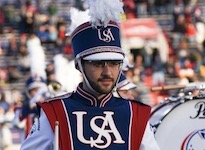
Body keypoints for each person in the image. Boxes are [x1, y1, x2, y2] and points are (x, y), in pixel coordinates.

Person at [20, 0, 160, 149]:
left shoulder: (136, 114)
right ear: (79, 65)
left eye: (113, 63)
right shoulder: (55, 112)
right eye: (98, 63)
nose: (107, 72)